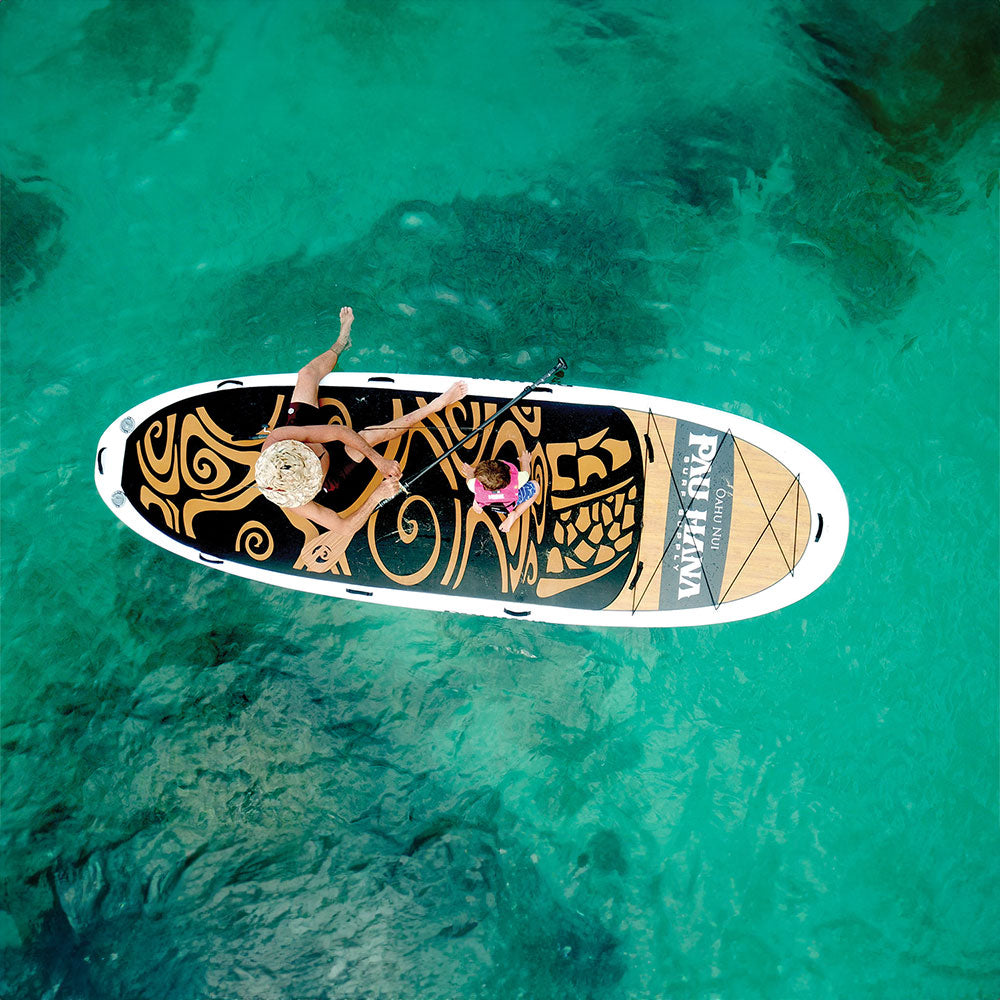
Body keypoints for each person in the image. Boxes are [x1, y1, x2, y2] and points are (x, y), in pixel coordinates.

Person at [254, 306, 468, 560]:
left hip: (307, 433)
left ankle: (341, 341)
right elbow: (345, 528)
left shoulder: (278, 440)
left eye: (307, 453)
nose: (313, 452)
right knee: (367, 435)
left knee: (307, 374)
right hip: (334, 472)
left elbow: (339, 432)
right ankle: (434, 406)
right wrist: (377, 495)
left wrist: (378, 460)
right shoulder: (297, 501)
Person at [459, 450, 539, 534]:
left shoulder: (473, 485)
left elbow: (469, 480)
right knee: (535, 486)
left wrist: (470, 473)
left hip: (491, 504)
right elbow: (526, 473)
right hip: (509, 504)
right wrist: (525, 461)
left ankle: (477, 504)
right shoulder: (516, 480)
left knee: (478, 493)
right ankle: (516, 514)